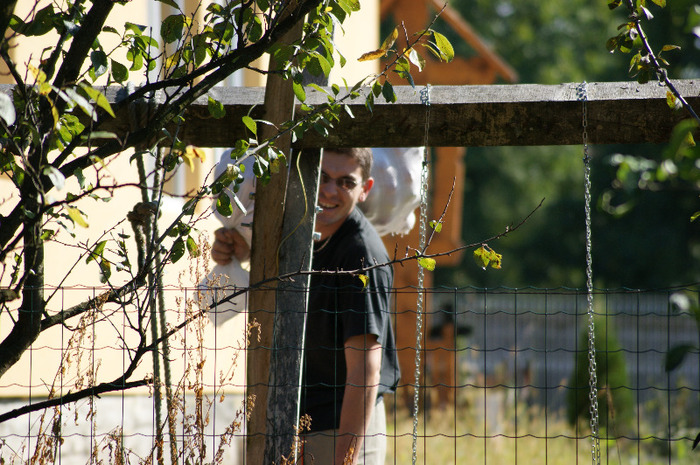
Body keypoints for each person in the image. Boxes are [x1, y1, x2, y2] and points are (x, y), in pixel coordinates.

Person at [211, 148, 399, 465]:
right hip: (284, 417)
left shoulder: (360, 256)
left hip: (341, 427)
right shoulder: (300, 227)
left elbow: (364, 372)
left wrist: (346, 459)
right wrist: (242, 250)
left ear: (364, 190)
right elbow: (275, 260)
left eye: (345, 182)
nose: (328, 191)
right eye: (322, 177)